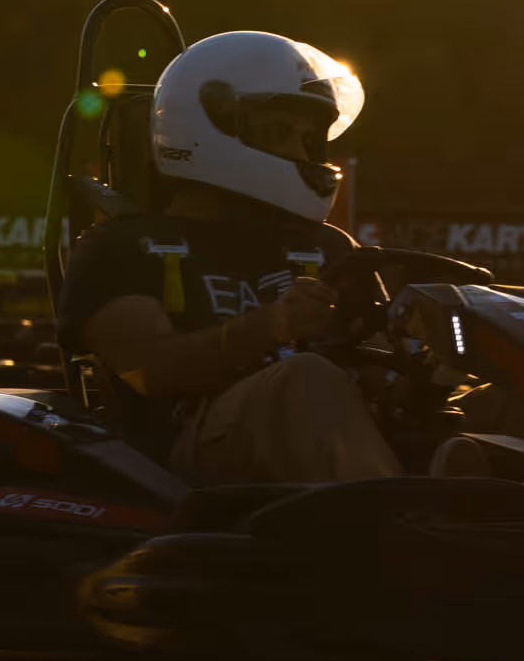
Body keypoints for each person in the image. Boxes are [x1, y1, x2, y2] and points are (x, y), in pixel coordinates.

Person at [57, 30, 404, 483]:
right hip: (183, 459)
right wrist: (270, 326)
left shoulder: (330, 248)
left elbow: (384, 366)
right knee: (305, 380)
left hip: (329, 442)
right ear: (210, 129)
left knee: (502, 393)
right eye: (280, 132)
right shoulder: (121, 247)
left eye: (310, 138)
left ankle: (488, 515)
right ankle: (404, 529)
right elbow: (147, 371)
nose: (300, 152)